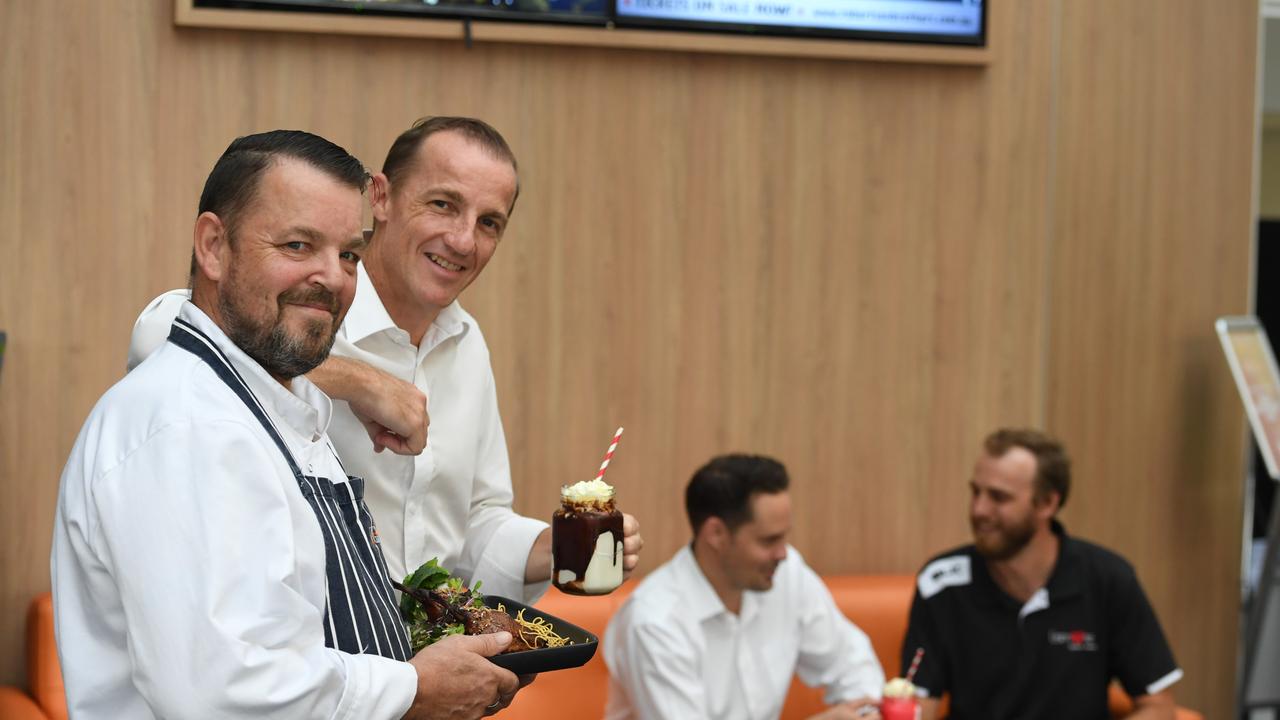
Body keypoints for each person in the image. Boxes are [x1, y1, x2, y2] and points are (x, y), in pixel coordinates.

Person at [52, 130, 521, 719]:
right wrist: (411, 690)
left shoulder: (277, 401)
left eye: (349, 254)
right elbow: (218, 692)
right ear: (213, 246)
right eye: (298, 245)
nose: (333, 278)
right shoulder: (191, 427)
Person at [126, 117, 643, 600]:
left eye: (489, 223)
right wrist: (361, 382)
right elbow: (169, 331)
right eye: (442, 204)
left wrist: (559, 546)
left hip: (418, 660)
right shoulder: (313, 297)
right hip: (305, 659)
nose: (463, 240)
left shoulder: (467, 341)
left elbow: (478, 521)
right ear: (381, 196)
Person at [901, 428, 1183, 720]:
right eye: (975, 492)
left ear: (1047, 503)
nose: (979, 509)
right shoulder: (941, 584)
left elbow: (1158, 707)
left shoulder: (1108, 579)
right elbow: (920, 705)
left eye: (998, 497)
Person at [603, 454, 885, 720]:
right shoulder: (654, 622)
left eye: (784, 538)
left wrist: (862, 712)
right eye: (768, 541)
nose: (783, 554)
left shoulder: (787, 575)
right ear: (716, 534)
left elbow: (852, 665)